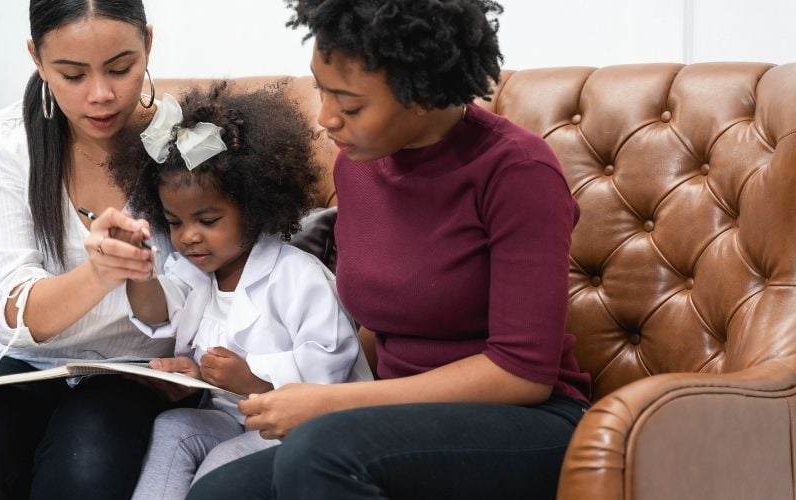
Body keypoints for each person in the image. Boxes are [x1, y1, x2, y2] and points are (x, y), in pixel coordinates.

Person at [187, 1, 592, 499]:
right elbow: (381, 327)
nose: (326, 119)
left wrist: (335, 406)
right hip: (391, 421)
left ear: (419, 95)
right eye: (321, 90)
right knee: (217, 494)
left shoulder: (518, 172)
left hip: (527, 423)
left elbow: (522, 373)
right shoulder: (357, 167)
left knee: (320, 452)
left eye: (350, 104)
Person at [0, 1, 180, 499]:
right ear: (37, 58)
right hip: (21, 360)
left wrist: (137, 275)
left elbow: (212, 290)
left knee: (85, 464)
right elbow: (9, 311)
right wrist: (98, 275)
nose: (101, 95)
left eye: (121, 68)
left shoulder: (190, 139)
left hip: (136, 374)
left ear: (148, 45)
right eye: (72, 74)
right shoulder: (4, 141)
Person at [104, 82, 372, 500]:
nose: (189, 237)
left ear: (253, 208)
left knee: (220, 466)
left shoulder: (299, 278)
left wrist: (251, 380)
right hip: (235, 419)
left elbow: (327, 374)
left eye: (207, 220)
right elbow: (159, 311)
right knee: (173, 429)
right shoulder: (194, 273)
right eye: (175, 222)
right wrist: (139, 273)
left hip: (301, 428)